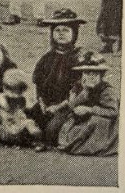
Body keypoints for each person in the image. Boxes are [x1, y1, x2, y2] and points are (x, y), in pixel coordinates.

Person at [29, 8, 86, 143]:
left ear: (74, 33)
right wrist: (42, 103)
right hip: (46, 105)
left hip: (68, 106)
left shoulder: (79, 59)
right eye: (57, 30)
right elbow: (39, 84)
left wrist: (59, 107)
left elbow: (78, 91)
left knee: (51, 133)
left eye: (66, 30)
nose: (61, 34)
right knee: (27, 121)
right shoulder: (46, 58)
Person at [55, 52, 118, 156]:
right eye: (87, 73)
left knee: (95, 121)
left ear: (101, 76)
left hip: (106, 121)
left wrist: (89, 110)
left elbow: (113, 112)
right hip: (88, 118)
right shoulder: (83, 88)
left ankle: (90, 147)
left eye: (95, 73)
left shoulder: (107, 91)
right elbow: (72, 106)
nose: (91, 76)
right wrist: (84, 92)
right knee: (69, 120)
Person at [0, 69, 43, 148]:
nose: (15, 95)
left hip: (18, 128)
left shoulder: (21, 99)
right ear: (4, 88)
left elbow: (27, 109)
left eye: (18, 92)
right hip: (5, 130)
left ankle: (36, 140)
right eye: (12, 92)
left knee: (29, 122)